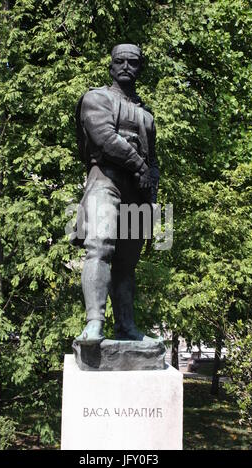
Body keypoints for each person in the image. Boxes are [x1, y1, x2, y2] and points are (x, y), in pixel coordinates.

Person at [72, 44, 159, 344]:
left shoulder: (147, 115)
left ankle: (126, 326)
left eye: (132, 62)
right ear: (110, 66)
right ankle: (94, 323)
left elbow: (154, 163)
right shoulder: (96, 98)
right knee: (100, 247)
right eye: (119, 61)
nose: (125, 66)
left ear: (139, 69)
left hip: (137, 189)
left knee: (127, 263)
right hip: (104, 181)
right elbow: (104, 138)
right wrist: (138, 164)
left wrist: (152, 203)